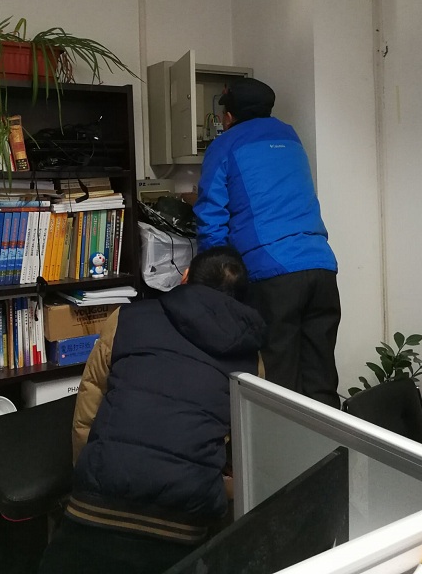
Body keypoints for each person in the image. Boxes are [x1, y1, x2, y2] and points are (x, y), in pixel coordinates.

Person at [38, 246, 265, 574]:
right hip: (183, 522)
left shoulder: (126, 318)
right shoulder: (251, 358)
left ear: (185, 277)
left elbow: (87, 412)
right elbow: (240, 449)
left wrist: (88, 475)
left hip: (98, 502)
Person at [194, 77, 341, 409]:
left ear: (228, 117)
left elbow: (211, 215)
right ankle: (327, 441)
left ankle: (281, 443)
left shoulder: (225, 144)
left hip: (273, 275)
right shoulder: (289, 136)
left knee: (279, 383)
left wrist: (214, 278)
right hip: (321, 266)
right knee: (321, 379)